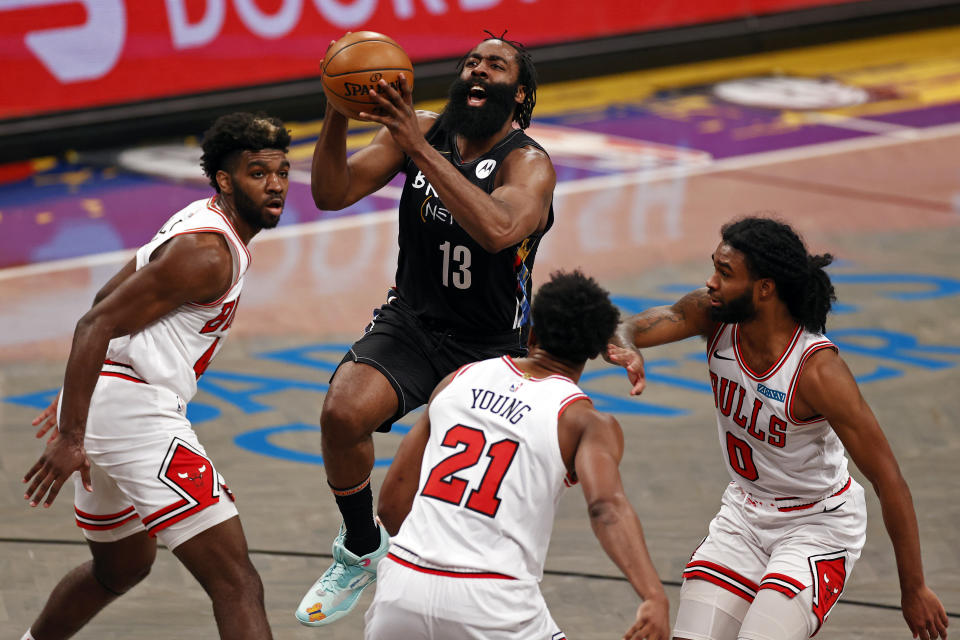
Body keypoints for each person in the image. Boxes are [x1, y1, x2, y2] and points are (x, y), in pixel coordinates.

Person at [295, 32, 557, 625]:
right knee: (341, 414)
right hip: (414, 320)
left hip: (491, 346)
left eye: (494, 65)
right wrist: (335, 111)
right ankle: (360, 548)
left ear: (518, 95)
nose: (477, 70)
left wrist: (419, 147)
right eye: (470, 61)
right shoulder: (424, 128)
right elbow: (332, 192)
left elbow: (498, 230)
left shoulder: (528, 161)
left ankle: (484, 601)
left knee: (413, 497)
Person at [606, 217, 949, 640]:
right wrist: (627, 348)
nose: (711, 283)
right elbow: (631, 326)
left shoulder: (818, 372)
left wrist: (913, 588)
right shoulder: (712, 316)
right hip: (744, 516)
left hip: (816, 526)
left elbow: (889, 480)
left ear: (765, 288)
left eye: (725, 274)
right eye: (714, 267)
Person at [21, 112, 291, 640]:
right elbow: (95, 321)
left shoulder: (200, 219)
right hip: (136, 415)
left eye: (281, 171)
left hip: (112, 401)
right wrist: (73, 434)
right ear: (225, 180)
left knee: (120, 568)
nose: (276, 184)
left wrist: (86, 394)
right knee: (237, 583)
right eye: (258, 173)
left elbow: (106, 303)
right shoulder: (207, 253)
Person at [366, 270, 670, 640]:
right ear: (595, 351)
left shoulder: (458, 379)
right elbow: (605, 507)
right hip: (492, 602)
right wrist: (654, 595)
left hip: (402, 586)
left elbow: (392, 504)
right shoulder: (584, 420)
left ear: (530, 331)